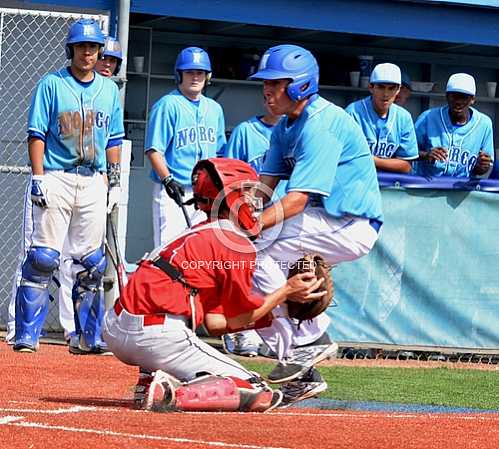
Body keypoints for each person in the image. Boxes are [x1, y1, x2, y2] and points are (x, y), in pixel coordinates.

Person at [102, 158, 325, 412]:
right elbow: (239, 319)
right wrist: (286, 292)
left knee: (188, 347)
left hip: (116, 329)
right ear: (229, 197)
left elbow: (216, 323)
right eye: (247, 192)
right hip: (154, 335)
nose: (254, 202)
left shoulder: (200, 231)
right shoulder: (234, 242)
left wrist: (280, 303)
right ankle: (171, 391)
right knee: (257, 389)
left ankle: (153, 373)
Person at [248, 44, 383, 406]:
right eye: (266, 83)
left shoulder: (321, 125)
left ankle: (312, 339)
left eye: (276, 83)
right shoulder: (283, 129)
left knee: (260, 247)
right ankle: (300, 373)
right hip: (321, 224)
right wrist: (239, 216)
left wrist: (254, 225)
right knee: (254, 263)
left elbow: (297, 201)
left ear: (301, 86)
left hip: (352, 224)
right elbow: (263, 188)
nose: (267, 90)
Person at [13, 18, 124, 354]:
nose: (87, 52)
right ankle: (26, 335)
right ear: (71, 49)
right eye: (81, 46)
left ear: (99, 51)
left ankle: (88, 338)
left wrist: (114, 181)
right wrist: (38, 176)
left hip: (93, 179)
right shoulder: (52, 84)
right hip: (56, 175)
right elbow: (37, 134)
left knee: (92, 263)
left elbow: (114, 138)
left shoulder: (109, 90)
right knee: (44, 258)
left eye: (92, 47)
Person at [145, 46, 226, 247]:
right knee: (168, 248)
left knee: (199, 250)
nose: (195, 77)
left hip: (206, 193)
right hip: (174, 189)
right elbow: (154, 150)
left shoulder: (214, 109)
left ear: (208, 76)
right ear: (179, 74)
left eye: (200, 72)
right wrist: (168, 180)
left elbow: (221, 152)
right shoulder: (167, 104)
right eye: (189, 72)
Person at [221, 100, 281, 358]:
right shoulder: (246, 131)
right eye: (268, 93)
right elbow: (228, 173)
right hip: (251, 212)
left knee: (279, 276)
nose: (273, 99)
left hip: (285, 212)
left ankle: (276, 336)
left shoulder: (299, 132)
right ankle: (244, 332)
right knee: (245, 272)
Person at [414, 73, 494, 178]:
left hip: (461, 190)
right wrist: (426, 155)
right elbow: (405, 153)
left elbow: (483, 168)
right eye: (454, 96)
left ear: (472, 99)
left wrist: (481, 166)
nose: (458, 102)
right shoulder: (427, 117)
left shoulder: (484, 124)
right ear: (447, 96)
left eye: (464, 97)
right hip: (427, 186)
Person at [346, 63, 418, 174]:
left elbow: (406, 166)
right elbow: (346, 158)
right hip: (355, 180)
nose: (385, 94)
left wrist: (372, 160)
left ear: (398, 89)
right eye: (381, 87)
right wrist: (390, 163)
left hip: (389, 187)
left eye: (391, 88)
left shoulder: (404, 117)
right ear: (371, 87)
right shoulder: (353, 112)